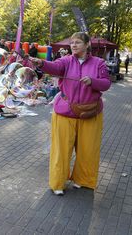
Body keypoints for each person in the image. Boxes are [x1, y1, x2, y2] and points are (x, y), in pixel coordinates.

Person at [30, 32, 111, 196]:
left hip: (90, 113)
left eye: (78, 42)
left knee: (88, 149)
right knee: (61, 150)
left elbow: (106, 84)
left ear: (87, 44)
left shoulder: (99, 63)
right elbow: (55, 67)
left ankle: (84, 180)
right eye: (72, 42)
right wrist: (41, 63)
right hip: (65, 112)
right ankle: (58, 182)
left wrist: (92, 81)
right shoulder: (66, 60)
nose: (73, 45)